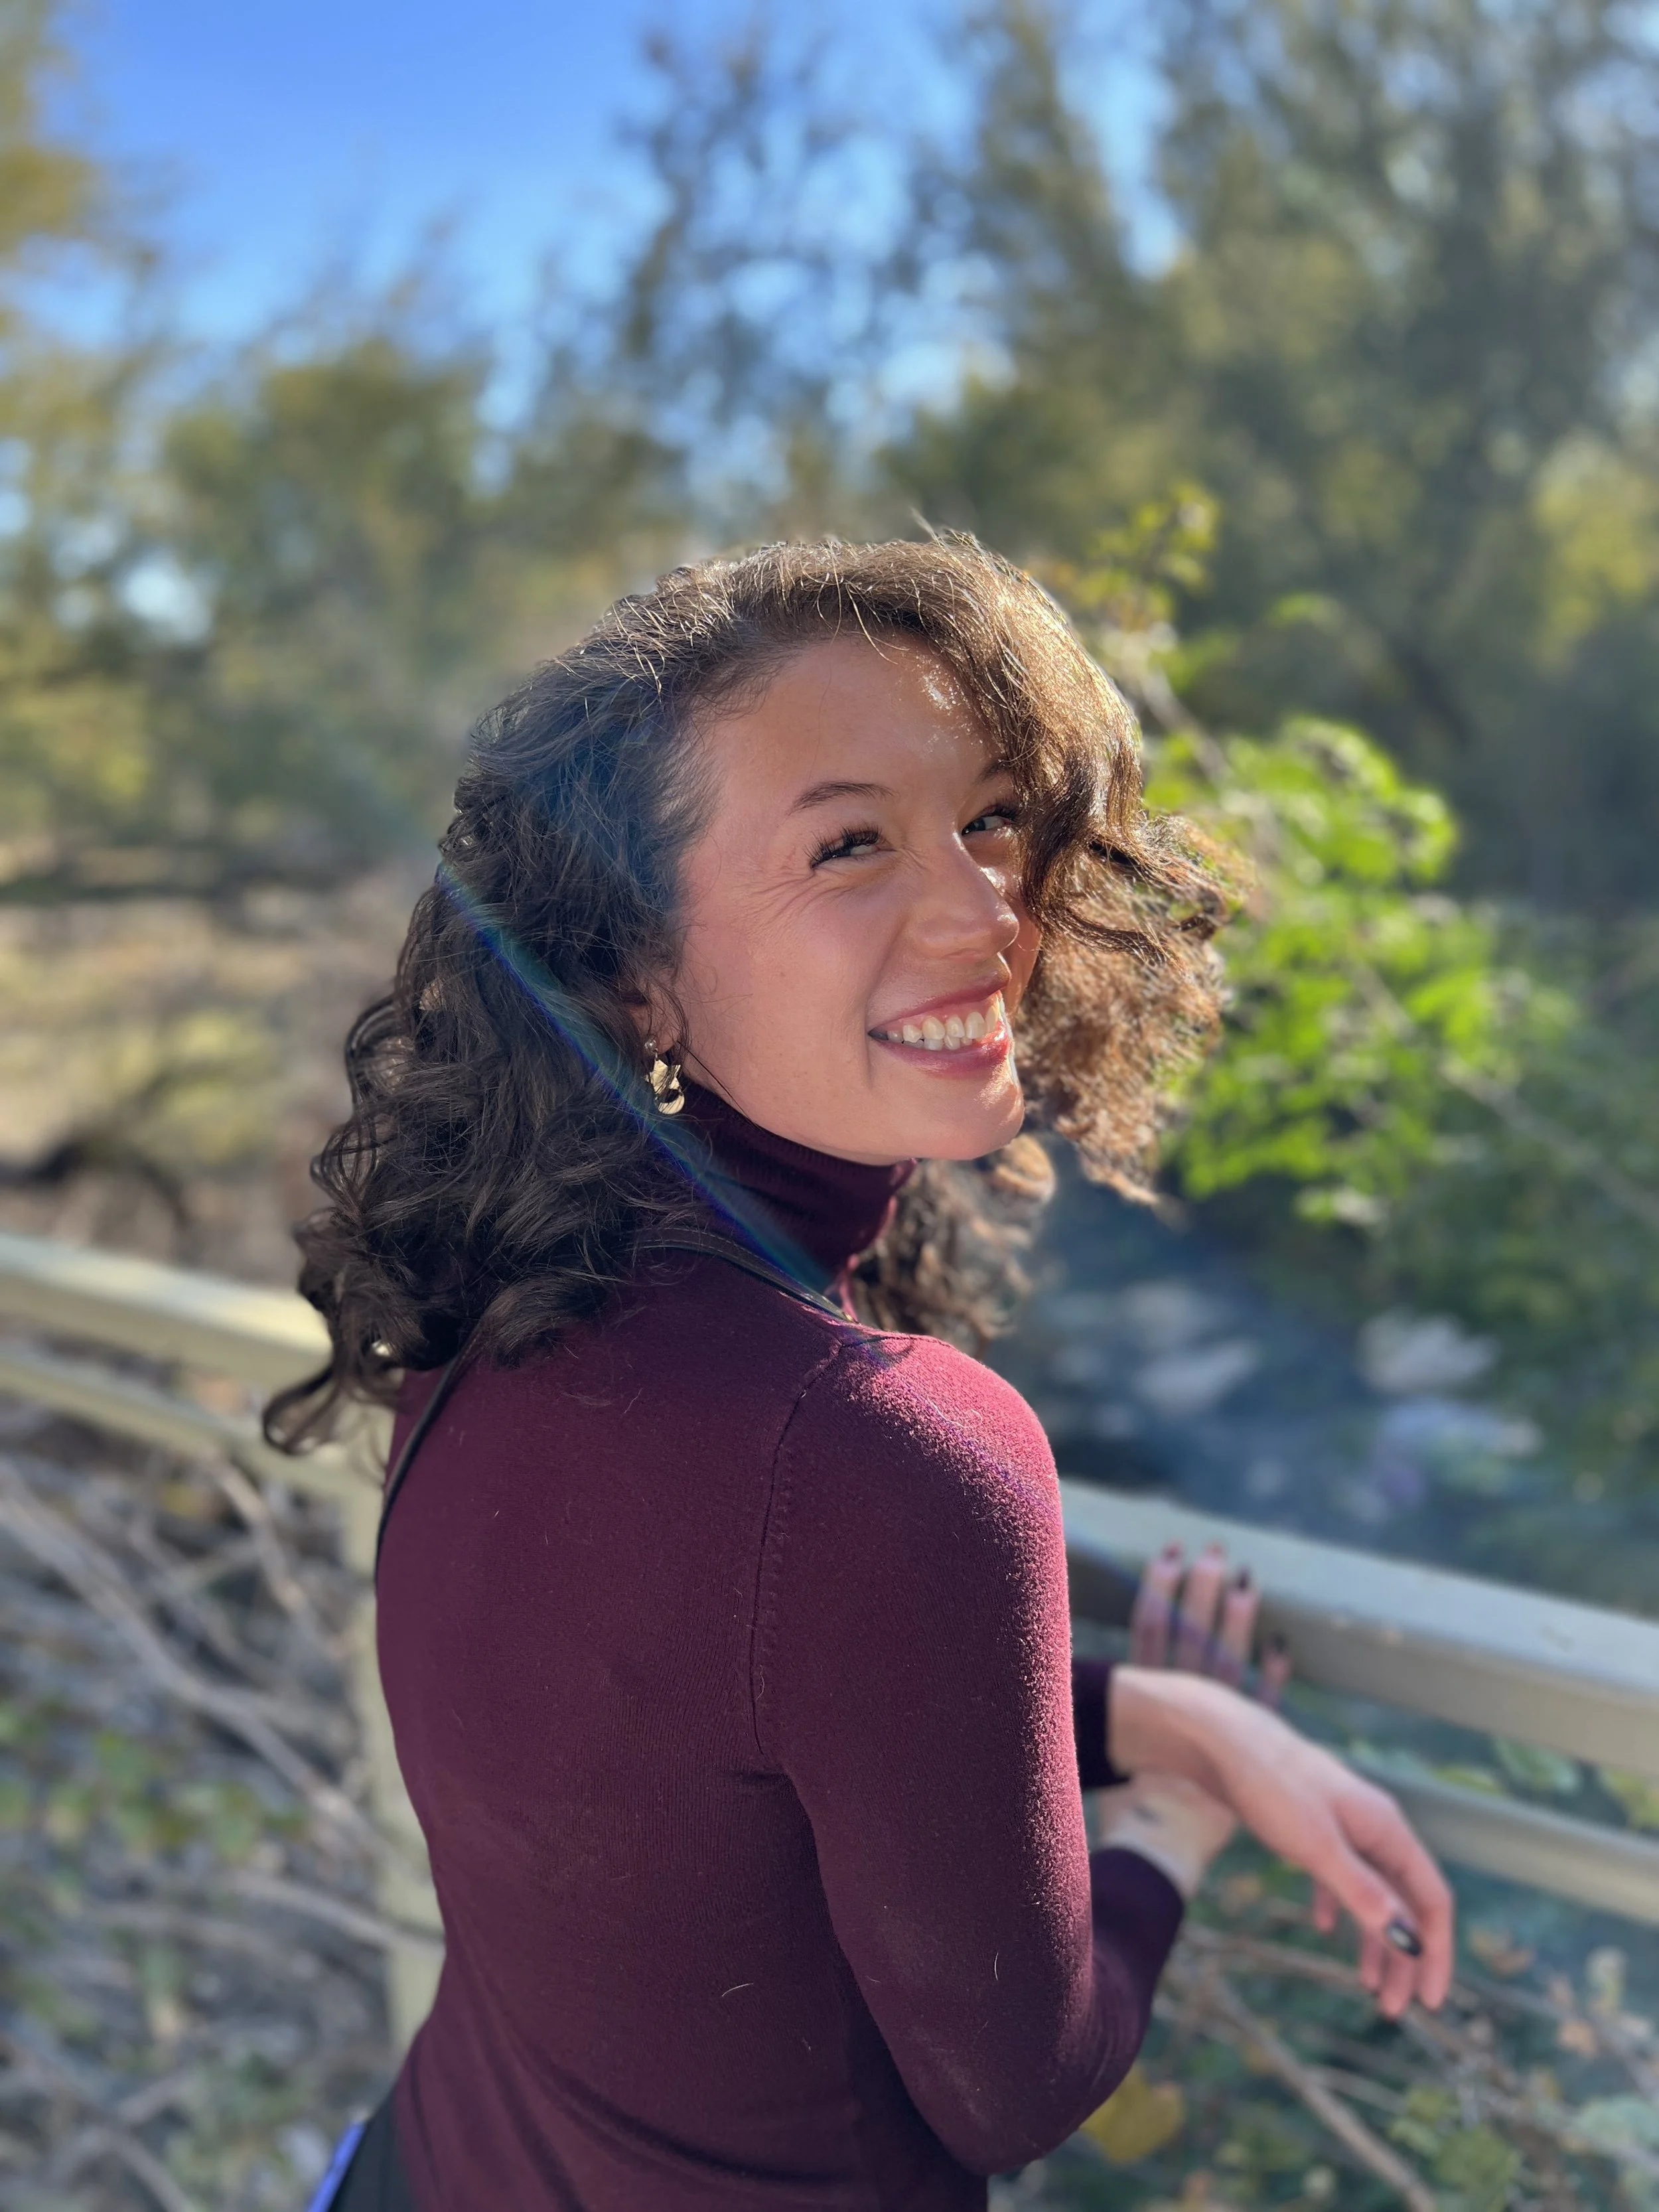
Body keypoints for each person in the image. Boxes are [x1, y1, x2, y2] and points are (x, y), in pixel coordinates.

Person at [271, 538, 1453, 2212]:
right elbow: (1012, 2086)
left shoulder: (485, 1320)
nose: (985, 911)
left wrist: (1163, 1713)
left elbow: (714, 1737)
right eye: (847, 846)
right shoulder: (881, 1450)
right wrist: (1170, 1831)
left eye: (988, 819)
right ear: (637, 977)